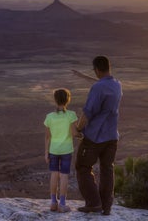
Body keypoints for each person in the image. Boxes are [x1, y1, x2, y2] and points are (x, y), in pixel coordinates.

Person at [75, 56, 123, 216]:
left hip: (95, 136)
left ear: (96, 69)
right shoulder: (117, 84)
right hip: (112, 136)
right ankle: (106, 206)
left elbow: (87, 112)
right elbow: (103, 84)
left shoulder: (97, 88)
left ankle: (94, 203)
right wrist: (83, 76)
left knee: (82, 167)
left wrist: (78, 128)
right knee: (107, 169)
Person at [44, 88, 78, 213]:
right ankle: (62, 204)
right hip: (66, 150)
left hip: (53, 149)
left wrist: (46, 152)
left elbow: (48, 137)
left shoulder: (49, 117)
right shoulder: (71, 115)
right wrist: (82, 135)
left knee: (54, 174)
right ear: (67, 100)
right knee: (64, 176)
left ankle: (53, 202)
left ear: (55, 100)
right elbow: (74, 133)